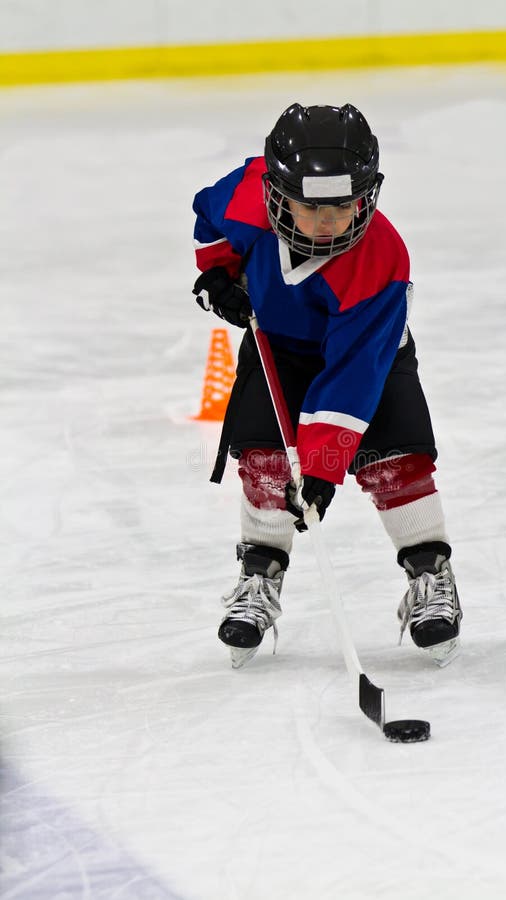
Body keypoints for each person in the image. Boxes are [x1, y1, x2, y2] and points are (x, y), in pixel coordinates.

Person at [191, 102, 462, 669]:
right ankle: (259, 579)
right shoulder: (244, 195)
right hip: (279, 350)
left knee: (398, 461)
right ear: (276, 191)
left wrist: (320, 471)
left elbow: (351, 377)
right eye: (311, 208)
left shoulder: (381, 259)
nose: (327, 222)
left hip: (371, 358)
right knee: (265, 461)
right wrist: (217, 271)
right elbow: (209, 215)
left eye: (343, 206)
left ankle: (431, 574)